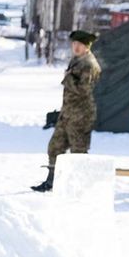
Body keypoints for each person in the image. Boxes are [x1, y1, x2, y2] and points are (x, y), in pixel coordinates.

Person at [32, 29, 100, 193]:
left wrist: (68, 79)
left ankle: (79, 187)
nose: (76, 47)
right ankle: (52, 181)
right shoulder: (77, 60)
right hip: (68, 113)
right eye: (74, 44)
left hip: (81, 115)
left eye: (80, 44)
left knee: (78, 153)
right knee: (55, 147)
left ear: (87, 47)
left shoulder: (89, 64)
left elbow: (84, 89)